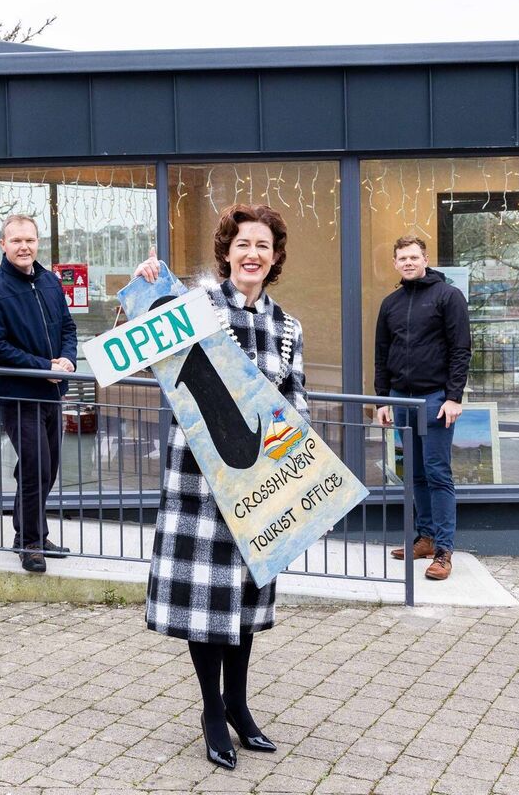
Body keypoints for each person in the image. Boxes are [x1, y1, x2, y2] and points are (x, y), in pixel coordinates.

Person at [134, 204, 307, 770]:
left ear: (275, 256)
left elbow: (295, 404)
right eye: (242, 244)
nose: (252, 253)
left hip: (259, 484)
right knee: (207, 598)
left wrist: (298, 476)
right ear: (226, 253)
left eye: (262, 244)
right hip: (200, 481)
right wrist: (140, 295)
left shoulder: (287, 327)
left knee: (244, 603)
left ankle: (239, 704)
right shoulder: (197, 308)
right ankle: (212, 711)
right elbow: (140, 356)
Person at [0, 214, 77, 573]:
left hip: (52, 393)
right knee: (35, 466)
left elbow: (68, 327)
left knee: (45, 468)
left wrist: (66, 359)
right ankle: (30, 543)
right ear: (3, 245)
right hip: (19, 395)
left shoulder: (49, 282)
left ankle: (29, 533)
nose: (24, 247)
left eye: (29, 240)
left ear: (38, 243)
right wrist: (42, 367)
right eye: (16, 240)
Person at [373, 235, 471, 580]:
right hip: (400, 398)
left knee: (437, 472)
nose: (408, 262)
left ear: (425, 259)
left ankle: (444, 550)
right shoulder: (391, 303)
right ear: (395, 263)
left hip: (435, 399)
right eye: (402, 258)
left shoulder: (448, 296)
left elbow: (461, 349)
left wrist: (453, 397)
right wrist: (383, 398)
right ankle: (425, 538)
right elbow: (382, 354)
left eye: (414, 256)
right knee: (414, 472)